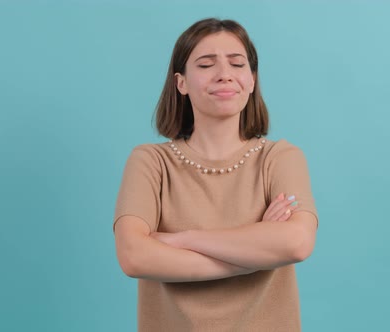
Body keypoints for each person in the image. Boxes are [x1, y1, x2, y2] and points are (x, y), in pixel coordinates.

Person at [113, 18, 318, 331]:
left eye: (237, 64)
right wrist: (256, 250)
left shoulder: (280, 158)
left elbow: (296, 243)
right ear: (181, 82)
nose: (225, 75)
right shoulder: (150, 162)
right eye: (206, 64)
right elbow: (134, 257)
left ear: (251, 80)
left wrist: (183, 239)